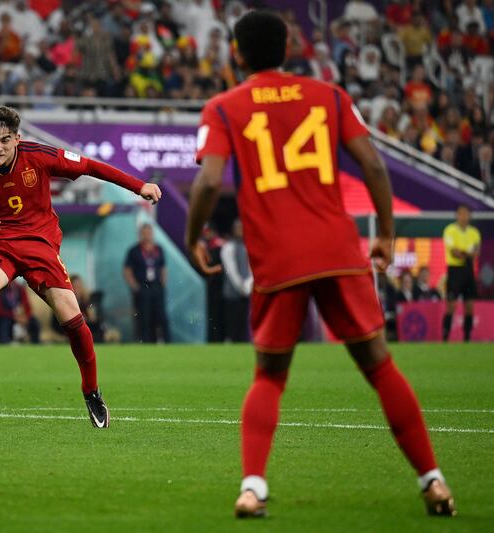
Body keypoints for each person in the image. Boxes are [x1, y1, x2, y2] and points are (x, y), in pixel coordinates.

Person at [186, 10, 455, 518]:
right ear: (288, 48)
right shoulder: (328, 96)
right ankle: (434, 482)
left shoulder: (223, 108)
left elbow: (205, 183)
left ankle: (252, 489)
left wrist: (193, 235)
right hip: (338, 250)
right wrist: (388, 233)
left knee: (269, 376)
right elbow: (374, 163)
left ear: (236, 54)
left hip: (278, 259)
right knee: (378, 364)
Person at [0, 105, 161, 428]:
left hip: (39, 243)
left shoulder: (39, 155)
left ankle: (91, 390)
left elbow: (90, 166)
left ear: (18, 139)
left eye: (5, 140)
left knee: (71, 316)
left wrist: (139, 186)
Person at [123, 224, 170, 343]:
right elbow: (127, 270)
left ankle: (167, 341)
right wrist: (135, 286)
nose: (147, 235)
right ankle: (147, 341)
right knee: (144, 316)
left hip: (156, 285)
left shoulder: (158, 249)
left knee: (161, 315)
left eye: (149, 232)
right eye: (144, 233)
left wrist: (163, 284)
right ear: (140, 234)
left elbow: (163, 268)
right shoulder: (134, 251)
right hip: (142, 286)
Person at [442, 204, 481, 342]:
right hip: (455, 270)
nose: (463, 216)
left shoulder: (474, 233)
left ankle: (467, 337)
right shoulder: (450, 230)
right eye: (460, 213)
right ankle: (445, 336)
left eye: (466, 213)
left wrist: (464, 253)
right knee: (451, 304)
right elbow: (454, 252)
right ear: (456, 215)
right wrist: (467, 253)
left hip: (469, 271)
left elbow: (476, 252)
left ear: (469, 216)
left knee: (469, 305)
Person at [221, 219, 252, 342]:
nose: (240, 231)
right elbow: (231, 270)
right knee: (231, 324)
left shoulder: (247, 245)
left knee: (242, 325)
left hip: (245, 292)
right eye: (238, 228)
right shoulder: (228, 247)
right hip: (231, 293)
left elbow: (251, 267)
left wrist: (248, 284)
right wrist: (242, 286)